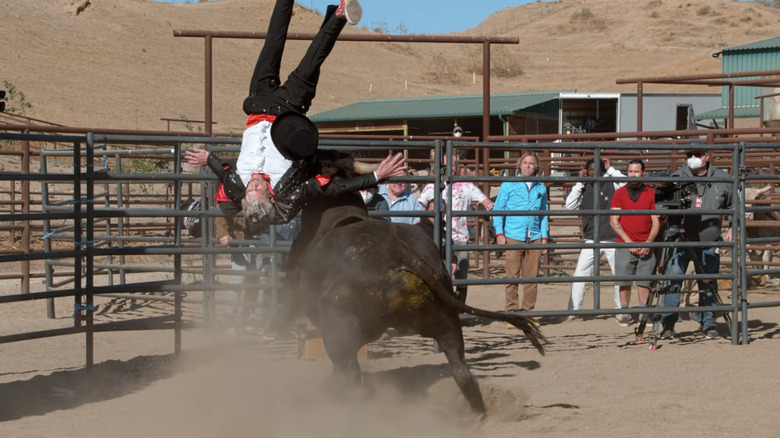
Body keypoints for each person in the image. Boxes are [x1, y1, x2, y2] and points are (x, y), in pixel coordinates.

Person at [184, 0, 363, 226]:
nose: (253, 184)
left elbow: (222, 172)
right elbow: (315, 179)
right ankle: (339, 15)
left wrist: (208, 158)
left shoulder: (236, 183)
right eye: (257, 189)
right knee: (312, 62)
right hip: (290, 109)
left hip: (259, 102)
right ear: (270, 196)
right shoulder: (286, 184)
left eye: (249, 190)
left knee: (272, 44)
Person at [657, 148, 733, 340]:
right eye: (689, 155)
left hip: (709, 239)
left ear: (707, 156)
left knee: (707, 282)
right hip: (680, 238)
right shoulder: (676, 177)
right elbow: (662, 203)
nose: (693, 158)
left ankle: (708, 324)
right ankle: (668, 324)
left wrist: (733, 226)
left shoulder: (722, 178)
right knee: (673, 279)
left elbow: (734, 206)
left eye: (697, 155)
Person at [417, 150, 493, 302]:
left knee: (461, 274)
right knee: (441, 274)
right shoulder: (432, 187)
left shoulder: (466, 185)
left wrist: (489, 209)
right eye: (445, 165)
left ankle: (461, 308)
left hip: (460, 237)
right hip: (438, 237)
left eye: (452, 164)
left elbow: (485, 201)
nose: (450, 168)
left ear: (457, 166)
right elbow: (419, 207)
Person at [565, 157, 625, 317]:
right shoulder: (584, 187)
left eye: (595, 168)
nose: (592, 171)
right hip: (592, 238)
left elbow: (626, 183)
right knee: (580, 273)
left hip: (613, 237)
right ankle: (573, 310)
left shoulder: (613, 183)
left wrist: (611, 169)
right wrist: (579, 183)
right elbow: (569, 206)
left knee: (619, 275)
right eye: (590, 169)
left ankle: (621, 309)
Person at [493, 152, 549, 317]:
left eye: (531, 163)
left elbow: (544, 213)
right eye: (525, 162)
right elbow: (498, 210)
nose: (528, 166)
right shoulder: (509, 184)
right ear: (520, 165)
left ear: (536, 166)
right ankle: (512, 313)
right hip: (513, 236)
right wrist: (500, 233)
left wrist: (545, 237)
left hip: (535, 236)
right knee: (512, 276)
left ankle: (527, 313)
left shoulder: (541, 187)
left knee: (532, 279)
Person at [609, 159, 660, 326]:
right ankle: (625, 311)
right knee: (624, 279)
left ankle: (643, 312)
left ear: (643, 173)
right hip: (625, 243)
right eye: (630, 171)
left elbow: (656, 221)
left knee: (644, 280)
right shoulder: (620, 193)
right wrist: (628, 242)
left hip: (646, 242)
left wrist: (648, 242)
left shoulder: (651, 193)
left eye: (636, 171)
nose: (633, 175)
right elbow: (613, 221)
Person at [415, 200, 458, 278]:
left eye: (441, 212)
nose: (437, 214)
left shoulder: (443, 232)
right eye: (433, 211)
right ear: (426, 211)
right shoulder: (418, 229)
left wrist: (453, 261)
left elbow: (449, 249)